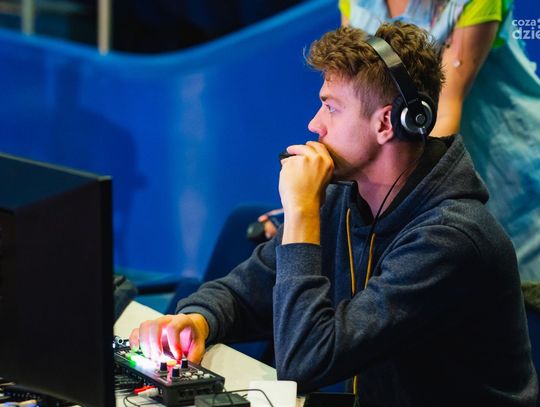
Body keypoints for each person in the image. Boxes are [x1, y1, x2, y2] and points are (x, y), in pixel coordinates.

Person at [130, 22, 538, 405]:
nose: (314, 124)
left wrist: (302, 211)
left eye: (332, 108)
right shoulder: (344, 199)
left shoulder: (450, 239)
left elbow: (306, 362)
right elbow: (245, 292)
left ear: (387, 122)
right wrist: (198, 320)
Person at [339, 0, 540, 283]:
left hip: (510, 176)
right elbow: (352, 94)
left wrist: (400, 204)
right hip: (429, 183)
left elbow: (443, 110)